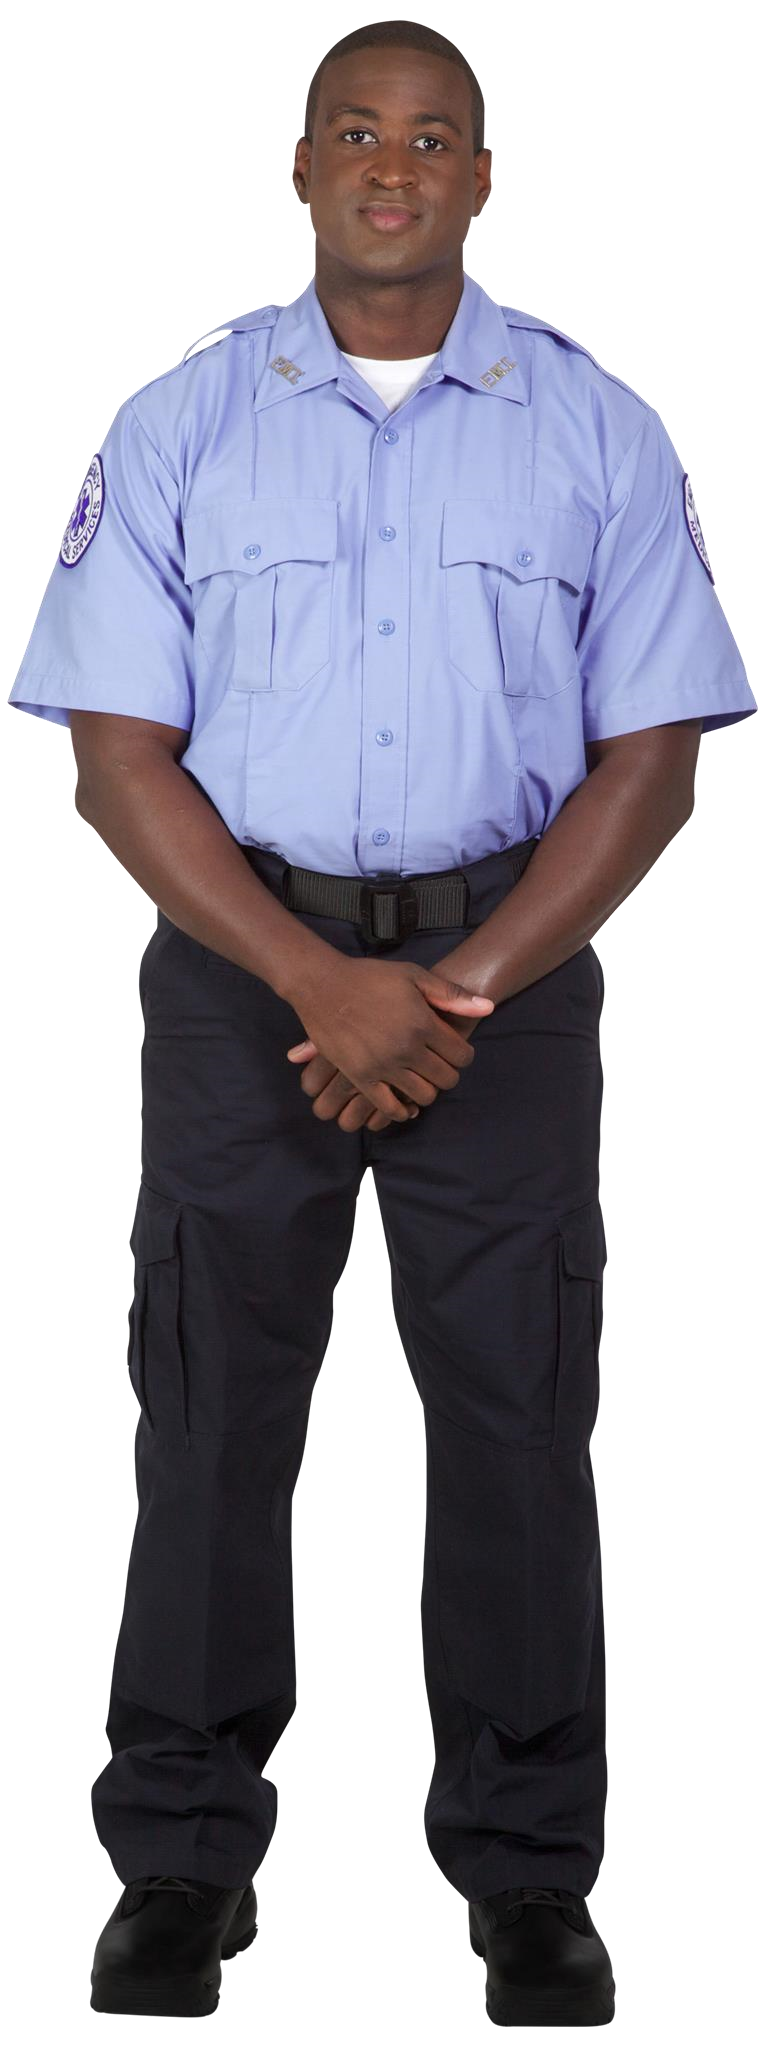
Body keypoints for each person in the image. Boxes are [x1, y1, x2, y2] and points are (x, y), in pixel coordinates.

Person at [7, 19, 755, 2026]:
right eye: (356, 132)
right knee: (207, 1423)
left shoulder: (594, 425)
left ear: (481, 178)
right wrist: (310, 977)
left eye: (432, 139)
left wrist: (459, 986)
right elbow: (113, 757)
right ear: (301, 167)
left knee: (517, 1427)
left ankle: (528, 1875)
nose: (392, 166)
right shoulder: (182, 421)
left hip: (507, 984)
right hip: (235, 981)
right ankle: (181, 1859)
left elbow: (653, 759)